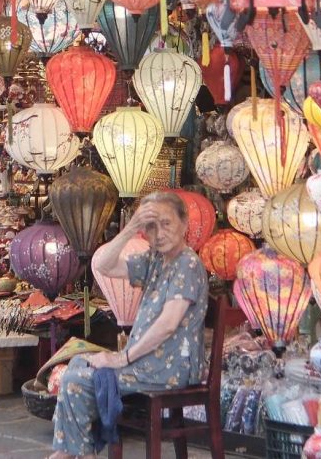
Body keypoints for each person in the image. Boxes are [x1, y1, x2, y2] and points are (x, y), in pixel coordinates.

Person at [48, 190, 209, 459]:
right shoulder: (156, 260)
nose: (159, 233)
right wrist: (130, 228)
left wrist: (123, 358)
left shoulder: (187, 264)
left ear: (184, 224)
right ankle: (76, 454)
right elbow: (103, 265)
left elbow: (168, 324)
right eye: (151, 227)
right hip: (148, 361)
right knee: (79, 365)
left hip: (169, 366)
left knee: (79, 378)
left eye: (166, 224)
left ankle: (68, 455)